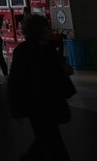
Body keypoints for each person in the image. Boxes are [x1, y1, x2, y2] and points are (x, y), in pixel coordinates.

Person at [9, 14, 76, 160]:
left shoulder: (48, 48)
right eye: (46, 26)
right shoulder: (27, 51)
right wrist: (17, 110)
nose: (50, 29)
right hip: (39, 105)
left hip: (48, 103)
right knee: (53, 143)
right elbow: (16, 82)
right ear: (38, 30)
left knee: (46, 140)